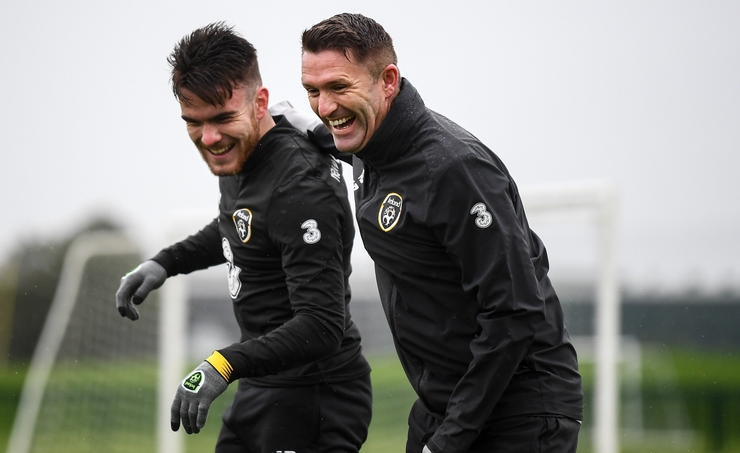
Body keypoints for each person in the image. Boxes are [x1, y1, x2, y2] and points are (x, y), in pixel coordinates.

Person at [298, 13, 584, 453]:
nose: (324, 106)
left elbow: (515, 310)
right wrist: (274, 124)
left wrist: (450, 439)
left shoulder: (453, 168)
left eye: (339, 87)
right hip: (446, 406)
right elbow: (327, 134)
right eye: (312, 91)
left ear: (387, 81)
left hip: (519, 410)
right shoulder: (369, 147)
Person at [115, 22, 372, 452]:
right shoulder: (241, 155)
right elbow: (240, 227)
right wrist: (165, 262)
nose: (209, 138)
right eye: (193, 122)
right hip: (263, 386)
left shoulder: (300, 186)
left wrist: (222, 364)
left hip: (316, 397)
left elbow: (322, 326)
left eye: (222, 119)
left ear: (260, 103)